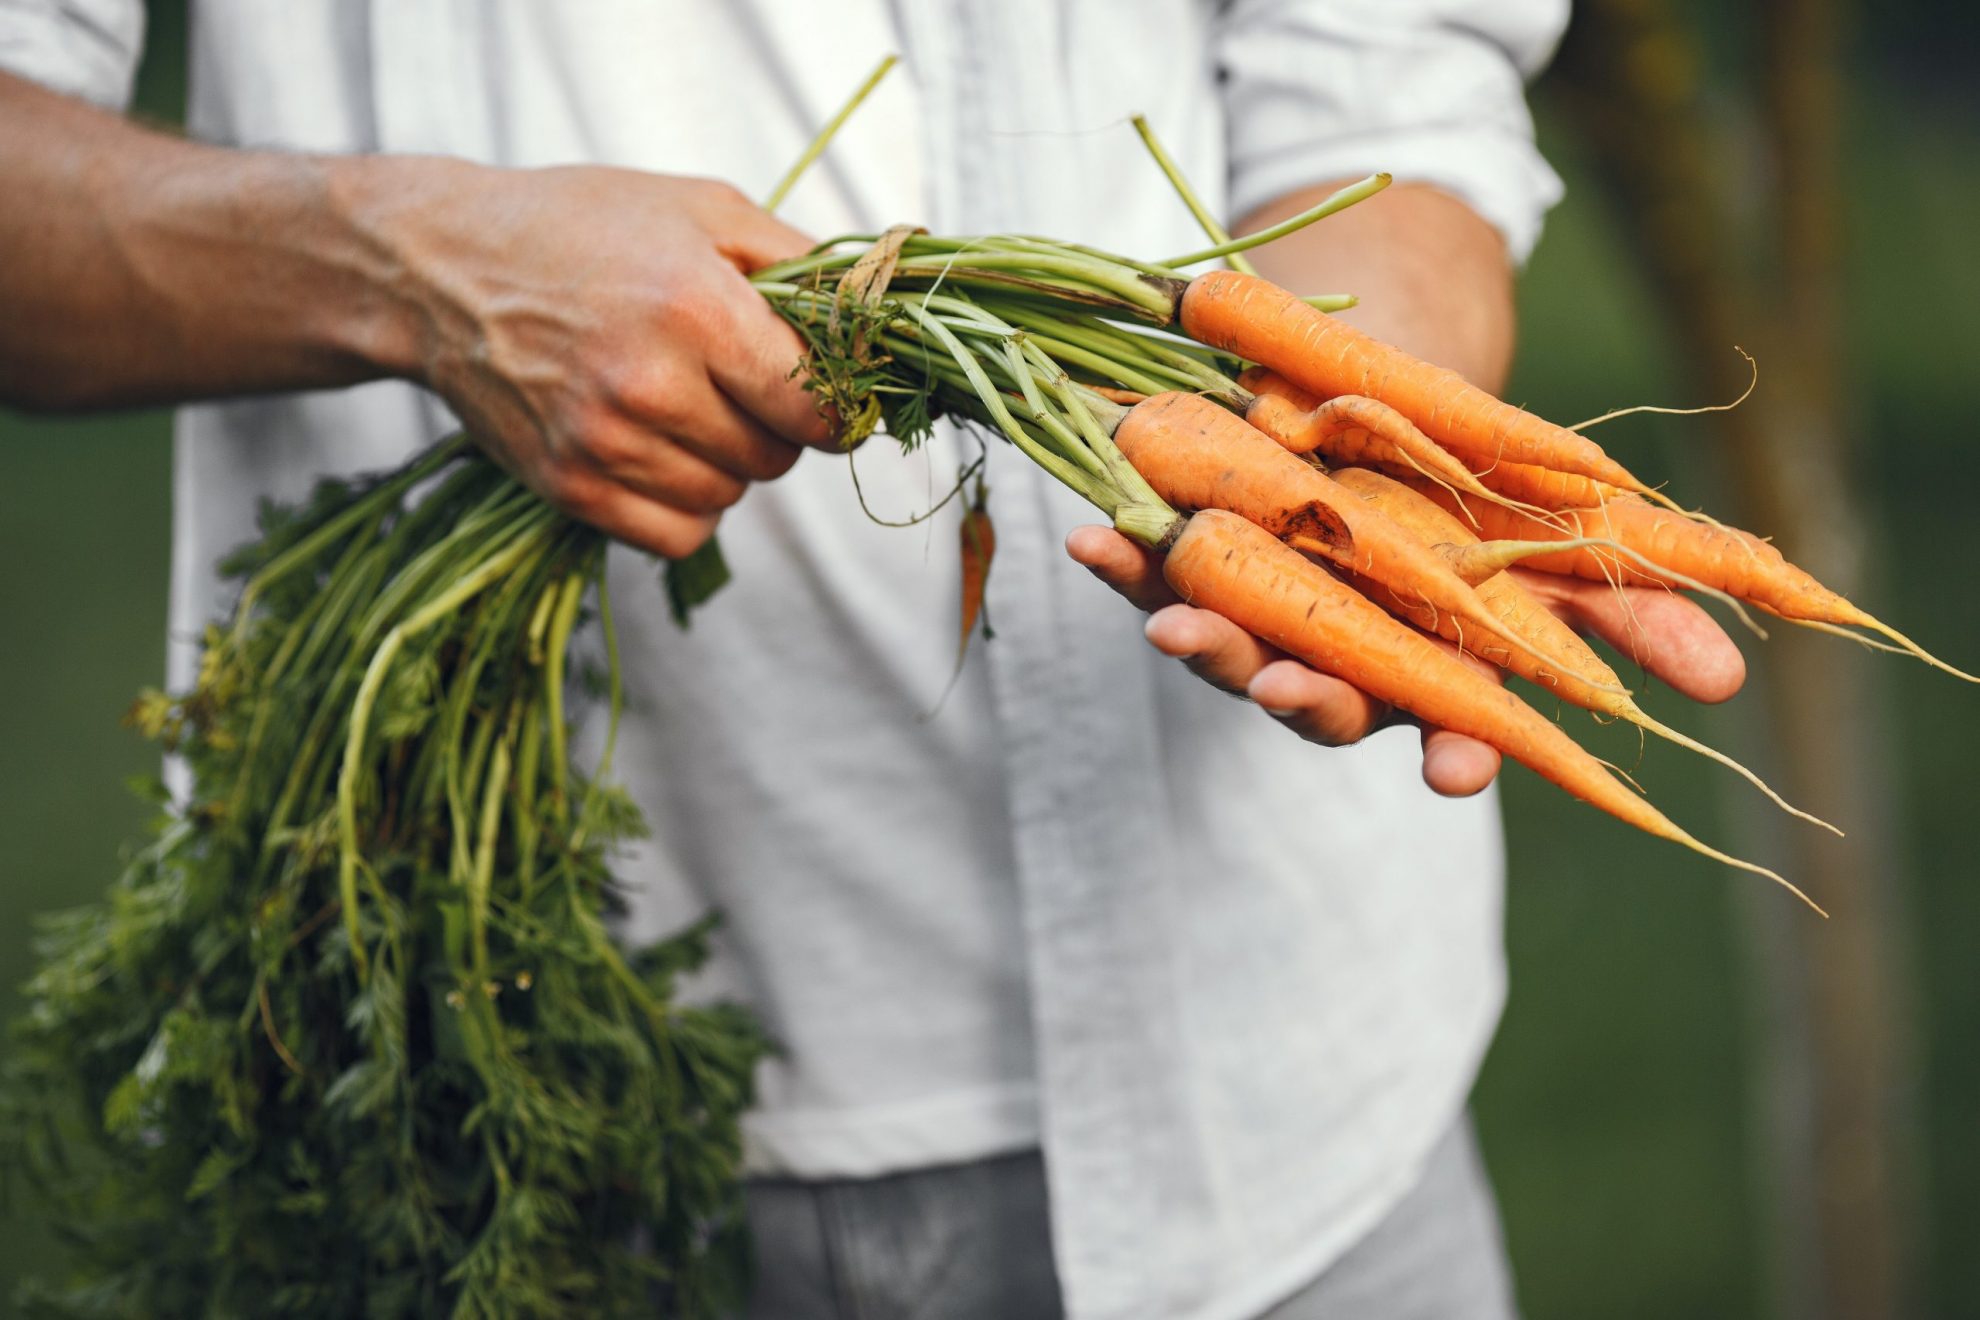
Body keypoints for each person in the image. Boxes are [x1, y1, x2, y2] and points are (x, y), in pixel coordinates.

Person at [0, 3, 1746, 1317]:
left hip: (1289, 1144)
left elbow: (1388, 77)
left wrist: (1360, 431)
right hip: (526, 1134)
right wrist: (412, 267)